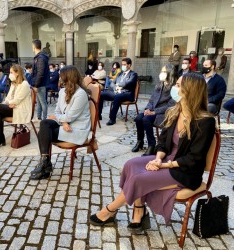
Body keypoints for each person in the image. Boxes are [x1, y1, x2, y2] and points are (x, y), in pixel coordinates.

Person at [90, 73, 216, 231]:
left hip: (186, 171)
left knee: (138, 179)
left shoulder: (206, 122)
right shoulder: (175, 112)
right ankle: (139, 212)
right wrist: (158, 159)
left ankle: (109, 210)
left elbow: (194, 159)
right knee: (130, 165)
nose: (174, 88)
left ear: (190, 91)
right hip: (167, 160)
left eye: (178, 85)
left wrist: (164, 166)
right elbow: (162, 142)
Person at [30, 66, 91, 180]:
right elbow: (57, 111)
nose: (60, 78)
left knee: (44, 133)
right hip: (66, 125)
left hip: (76, 129)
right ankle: (45, 162)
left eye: (61, 76)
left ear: (68, 77)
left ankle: (45, 166)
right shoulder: (63, 91)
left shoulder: (80, 94)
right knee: (44, 124)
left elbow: (70, 117)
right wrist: (63, 122)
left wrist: (62, 121)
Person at [132, 64, 176, 156]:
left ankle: (151, 146)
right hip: (152, 110)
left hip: (163, 113)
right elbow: (151, 99)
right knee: (138, 118)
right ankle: (139, 141)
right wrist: (148, 109)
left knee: (146, 120)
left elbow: (170, 105)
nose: (162, 74)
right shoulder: (159, 85)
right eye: (162, 71)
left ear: (169, 73)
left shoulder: (174, 88)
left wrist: (154, 112)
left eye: (164, 72)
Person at [98, 58, 138, 126]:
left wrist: (119, 85)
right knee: (101, 94)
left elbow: (128, 83)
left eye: (124, 64)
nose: (123, 66)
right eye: (122, 64)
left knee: (117, 97)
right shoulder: (120, 73)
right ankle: (98, 115)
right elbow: (111, 83)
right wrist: (115, 87)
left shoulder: (133, 74)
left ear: (129, 65)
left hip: (127, 94)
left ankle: (112, 119)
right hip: (117, 92)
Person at [31, 39, 50, 120]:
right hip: (39, 83)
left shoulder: (41, 58)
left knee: (43, 103)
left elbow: (40, 73)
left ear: (34, 47)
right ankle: (39, 118)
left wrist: (36, 85)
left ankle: (44, 119)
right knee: (39, 102)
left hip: (40, 84)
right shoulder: (39, 57)